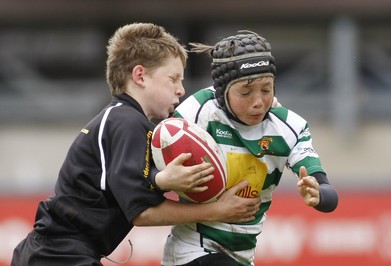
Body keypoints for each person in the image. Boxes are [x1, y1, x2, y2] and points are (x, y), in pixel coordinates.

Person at [11, 23, 262, 266]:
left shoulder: (129, 122)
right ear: (140, 76)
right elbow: (142, 212)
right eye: (173, 78)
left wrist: (162, 179)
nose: (181, 90)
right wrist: (218, 211)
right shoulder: (126, 121)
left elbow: (136, 182)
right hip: (57, 254)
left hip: (55, 252)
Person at [161, 31, 339, 266]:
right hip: (192, 250)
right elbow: (152, 161)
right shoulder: (198, 112)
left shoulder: (289, 127)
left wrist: (318, 194)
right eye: (246, 92)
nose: (258, 101)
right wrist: (165, 178)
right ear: (222, 93)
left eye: (266, 89)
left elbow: (329, 194)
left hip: (241, 255)